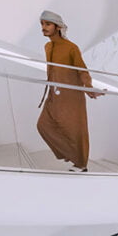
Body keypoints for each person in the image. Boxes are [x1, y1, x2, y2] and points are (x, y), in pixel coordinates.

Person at [36, 10, 101, 172]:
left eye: (47, 24)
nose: (43, 27)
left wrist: (88, 87)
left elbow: (82, 70)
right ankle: (70, 154)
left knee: (75, 129)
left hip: (71, 96)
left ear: (57, 27)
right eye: (42, 24)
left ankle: (81, 164)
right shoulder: (48, 46)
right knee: (43, 125)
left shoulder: (71, 48)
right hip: (53, 94)